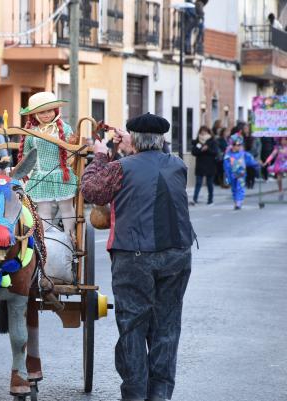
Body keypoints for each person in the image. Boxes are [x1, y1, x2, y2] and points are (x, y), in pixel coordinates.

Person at [81, 112, 194, 401]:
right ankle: (160, 395)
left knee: (133, 326)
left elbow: (92, 190)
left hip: (134, 257)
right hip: (177, 253)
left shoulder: (120, 167)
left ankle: (134, 395)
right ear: (162, 139)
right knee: (166, 328)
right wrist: (129, 148)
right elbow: (150, 171)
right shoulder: (178, 165)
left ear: (136, 140)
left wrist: (100, 156)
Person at [18, 91, 78, 240]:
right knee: (43, 211)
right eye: (42, 112)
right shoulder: (31, 133)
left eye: (50, 110)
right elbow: (28, 156)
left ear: (55, 110)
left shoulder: (66, 128)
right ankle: (47, 243)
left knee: (66, 209)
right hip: (41, 176)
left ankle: (70, 239)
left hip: (62, 174)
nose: (47, 114)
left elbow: (72, 152)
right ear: (35, 114)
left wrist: (71, 153)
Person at [224, 133, 259, 210]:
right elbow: (226, 166)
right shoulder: (228, 155)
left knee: (240, 188)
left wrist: (257, 164)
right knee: (234, 188)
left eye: (240, 145)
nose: (238, 146)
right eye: (237, 145)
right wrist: (227, 176)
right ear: (232, 145)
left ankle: (238, 202)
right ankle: (236, 201)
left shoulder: (243, 154)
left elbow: (250, 161)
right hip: (232, 174)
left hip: (241, 174)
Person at [190, 126, 218, 205]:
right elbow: (194, 152)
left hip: (210, 165)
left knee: (209, 183)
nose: (203, 133)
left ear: (208, 132)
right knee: (198, 183)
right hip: (200, 165)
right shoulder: (198, 141)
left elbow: (215, 152)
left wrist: (207, 149)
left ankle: (210, 200)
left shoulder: (212, 141)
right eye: (202, 131)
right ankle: (195, 199)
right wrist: (201, 150)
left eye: (205, 131)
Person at [243, 124, 261, 189]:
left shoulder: (254, 137)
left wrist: (257, 155)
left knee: (252, 170)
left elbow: (258, 146)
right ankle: (247, 183)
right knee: (246, 170)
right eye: (244, 128)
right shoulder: (242, 137)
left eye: (246, 128)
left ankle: (252, 182)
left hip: (253, 155)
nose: (245, 130)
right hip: (245, 156)